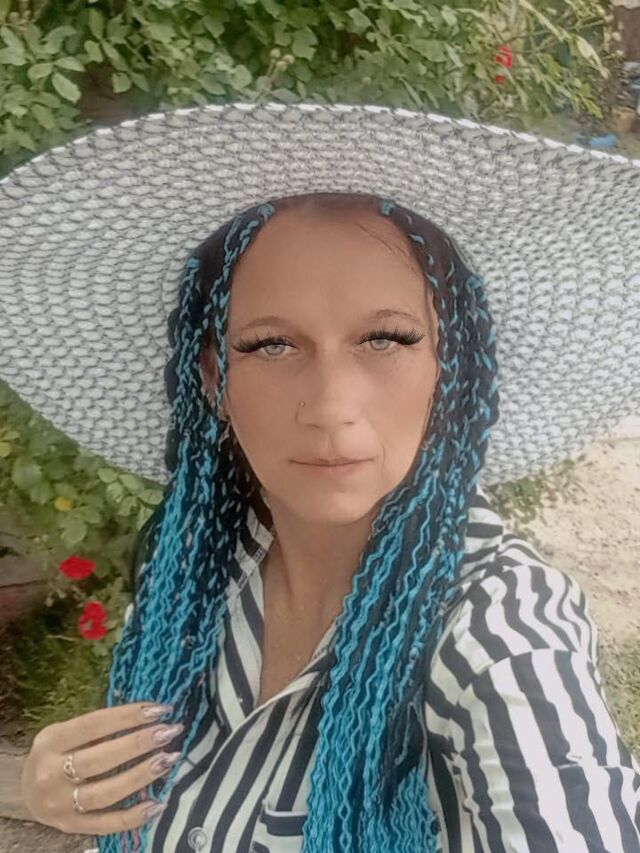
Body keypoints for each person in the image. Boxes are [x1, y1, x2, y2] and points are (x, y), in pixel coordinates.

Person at [3, 103, 639, 853]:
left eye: (385, 338)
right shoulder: (194, 576)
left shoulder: (500, 631)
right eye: (272, 345)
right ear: (214, 379)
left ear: (449, 366)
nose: (332, 407)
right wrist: (58, 791)